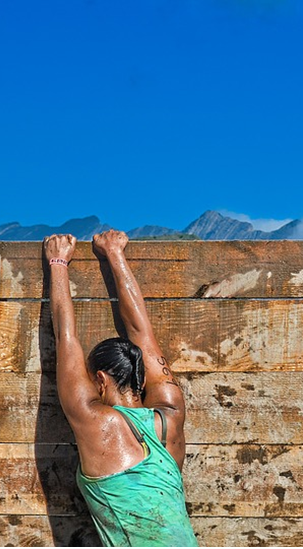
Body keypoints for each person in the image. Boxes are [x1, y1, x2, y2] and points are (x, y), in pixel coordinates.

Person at [44, 229, 198, 547]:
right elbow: (142, 333)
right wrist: (115, 253)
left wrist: (58, 262)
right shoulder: (171, 413)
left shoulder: (95, 422)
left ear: (100, 380)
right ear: (142, 379)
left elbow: (66, 338)